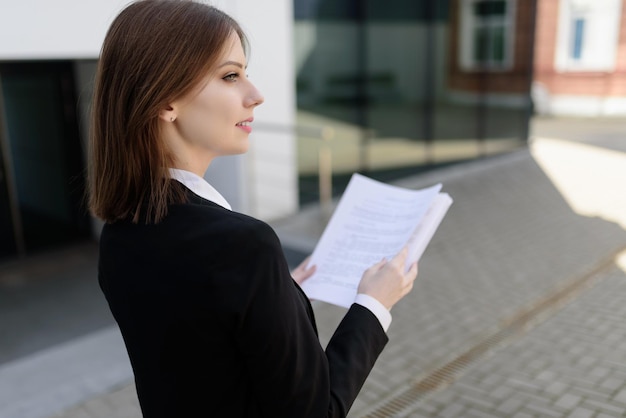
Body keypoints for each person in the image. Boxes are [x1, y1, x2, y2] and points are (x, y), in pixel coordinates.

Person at [88, 1, 419, 417]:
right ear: (165, 100)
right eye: (231, 76)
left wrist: (277, 296)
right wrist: (373, 304)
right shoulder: (243, 245)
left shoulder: (119, 235)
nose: (256, 95)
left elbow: (198, 354)